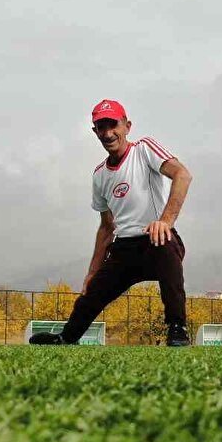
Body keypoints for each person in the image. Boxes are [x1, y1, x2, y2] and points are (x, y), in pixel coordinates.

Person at [30, 99, 194, 346]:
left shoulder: (144, 149)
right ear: (95, 131)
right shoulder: (100, 175)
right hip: (124, 248)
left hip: (155, 238)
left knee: (166, 246)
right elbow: (107, 227)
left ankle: (178, 329)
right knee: (92, 292)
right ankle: (67, 337)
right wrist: (92, 271)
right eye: (101, 127)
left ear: (127, 126)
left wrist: (165, 221)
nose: (108, 133)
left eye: (113, 125)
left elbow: (183, 174)